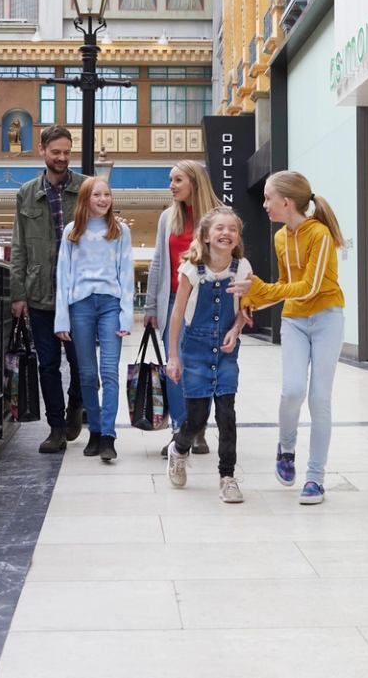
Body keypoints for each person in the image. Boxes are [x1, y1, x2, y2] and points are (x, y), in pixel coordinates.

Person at [230, 169, 347, 505]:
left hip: (327, 319)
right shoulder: (281, 237)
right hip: (295, 320)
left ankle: (315, 478)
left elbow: (309, 287)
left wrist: (261, 290)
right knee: (293, 390)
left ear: (286, 201)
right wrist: (253, 297)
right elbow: (286, 285)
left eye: (268, 198)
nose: (264, 205)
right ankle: (287, 447)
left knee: (320, 399)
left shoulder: (320, 234)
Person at [164, 208, 251, 502]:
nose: (226, 233)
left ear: (237, 237)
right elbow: (177, 314)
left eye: (232, 229)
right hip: (196, 350)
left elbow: (245, 310)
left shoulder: (241, 268)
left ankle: (227, 476)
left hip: (226, 352)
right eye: (220, 228)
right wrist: (173, 356)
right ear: (206, 236)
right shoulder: (192, 269)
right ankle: (179, 450)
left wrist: (236, 329)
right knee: (197, 417)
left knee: (227, 414)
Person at [11, 125, 86, 452]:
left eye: (67, 152)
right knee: (48, 364)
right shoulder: (26, 193)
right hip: (41, 293)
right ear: (42, 151)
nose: (62, 158)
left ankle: (74, 409)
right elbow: (19, 246)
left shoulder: (86, 188)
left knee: (82, 362)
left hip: (80, 294)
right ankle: (56, 427)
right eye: (56, 152)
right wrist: (18, 293)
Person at [52, 177, 134, 465]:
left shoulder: (120, 231)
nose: (103, 199)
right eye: (97, 194)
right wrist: (61, 318)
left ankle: (109, 435)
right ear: (85, 199)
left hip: (110, 305)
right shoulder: (72, 232)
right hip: (80, 307)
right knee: (87, 374)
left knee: (109, 371)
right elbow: (63, 275)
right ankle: (95, 430)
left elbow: (126, 274)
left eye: (107, 194)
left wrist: (126, 315)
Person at [143, 160, 222, 459]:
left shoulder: (218, 216)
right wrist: (151, 305)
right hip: (173, 300)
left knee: (201, 369)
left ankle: (198, 429)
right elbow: (158, 262)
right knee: (174, 367)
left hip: (207, 301)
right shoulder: (167, 218)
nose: (171, 185)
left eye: (177, 180)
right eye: (170, 180)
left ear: (195, 181)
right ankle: (180, 431)